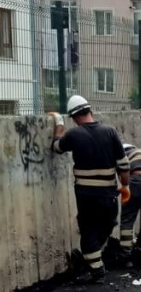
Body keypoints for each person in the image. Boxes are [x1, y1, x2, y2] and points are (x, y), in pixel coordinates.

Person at [52, 95, 129, 282]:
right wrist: (125, 185)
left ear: (75, 117)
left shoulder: (74, 134)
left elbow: (56, 147)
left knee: (88, 231)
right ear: (90, 111)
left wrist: (59, 124)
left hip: (86, 195)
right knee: (107, 224)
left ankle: (96, 268)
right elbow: (124, 165)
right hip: (109, 194)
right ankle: (94, 262)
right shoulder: (110, 131)